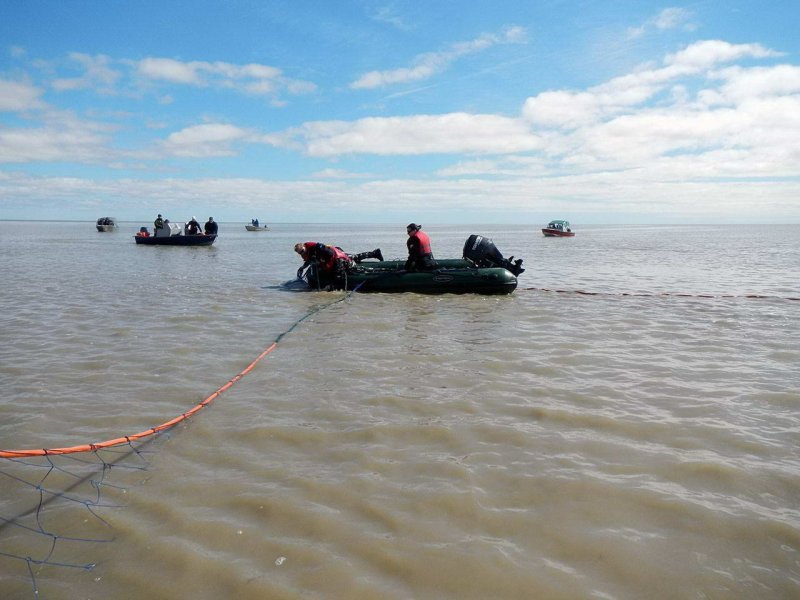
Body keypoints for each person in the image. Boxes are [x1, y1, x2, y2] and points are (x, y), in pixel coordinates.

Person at [294, 242, 383, 289]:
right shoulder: (307, 253)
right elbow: (309, 261)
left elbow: (329, 254)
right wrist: (303, 267)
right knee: (354, 257)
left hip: (336, 258)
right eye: (300, 253)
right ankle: (374, 253)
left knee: (352, 260)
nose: (302, 253)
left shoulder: (317, 248)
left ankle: (375, 253)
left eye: (302, 250)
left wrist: (323, 261)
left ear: (304, 246)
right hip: (332, 257)